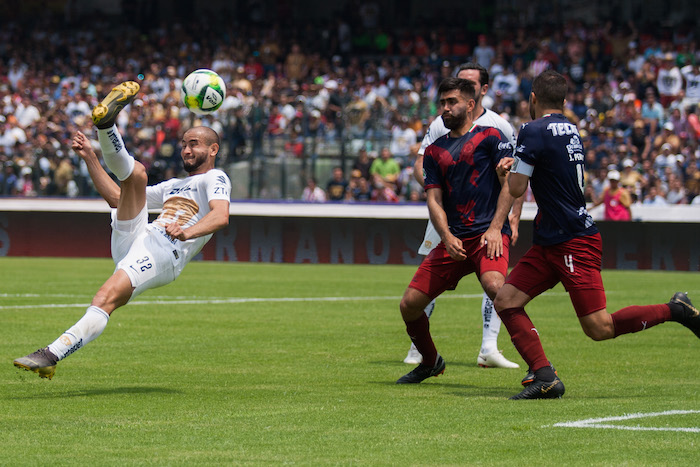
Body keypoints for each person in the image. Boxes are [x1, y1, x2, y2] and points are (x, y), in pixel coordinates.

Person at [493, 70, 699, 400]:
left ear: (532, 99)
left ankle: (676, 310)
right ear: (563, 101)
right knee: (506, 300)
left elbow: (517, 187)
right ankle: (545, 376)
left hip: (572, 240)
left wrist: (505, 171)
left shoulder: (532, 130)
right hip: (552, 239)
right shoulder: (571, 128)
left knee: (599, 327)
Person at [13, 81, 231, 379]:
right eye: (184, 144)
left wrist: (186, 232)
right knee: (135, 176)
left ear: (213, 149)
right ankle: (105, 125)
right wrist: (91, 158)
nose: (186, 149)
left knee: (105, 297)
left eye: (194, 144)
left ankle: (51, 354)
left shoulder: (215, 178)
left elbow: (220, 216)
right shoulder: (173, 185)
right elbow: (118, 198)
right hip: (141, 237)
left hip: (165, 251)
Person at [396, 77, 516, 384]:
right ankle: (430, 361)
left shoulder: (492, 136)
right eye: (443, 103)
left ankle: (540, 367)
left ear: (470, 104)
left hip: (487, 235)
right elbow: (433, 199)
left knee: (496, 288)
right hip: (454, 239)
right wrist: (447, 237)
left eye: (452, 102)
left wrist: (499, 226)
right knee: (409, 305)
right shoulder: (435, 150)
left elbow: (512, 184)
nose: (446, 108)